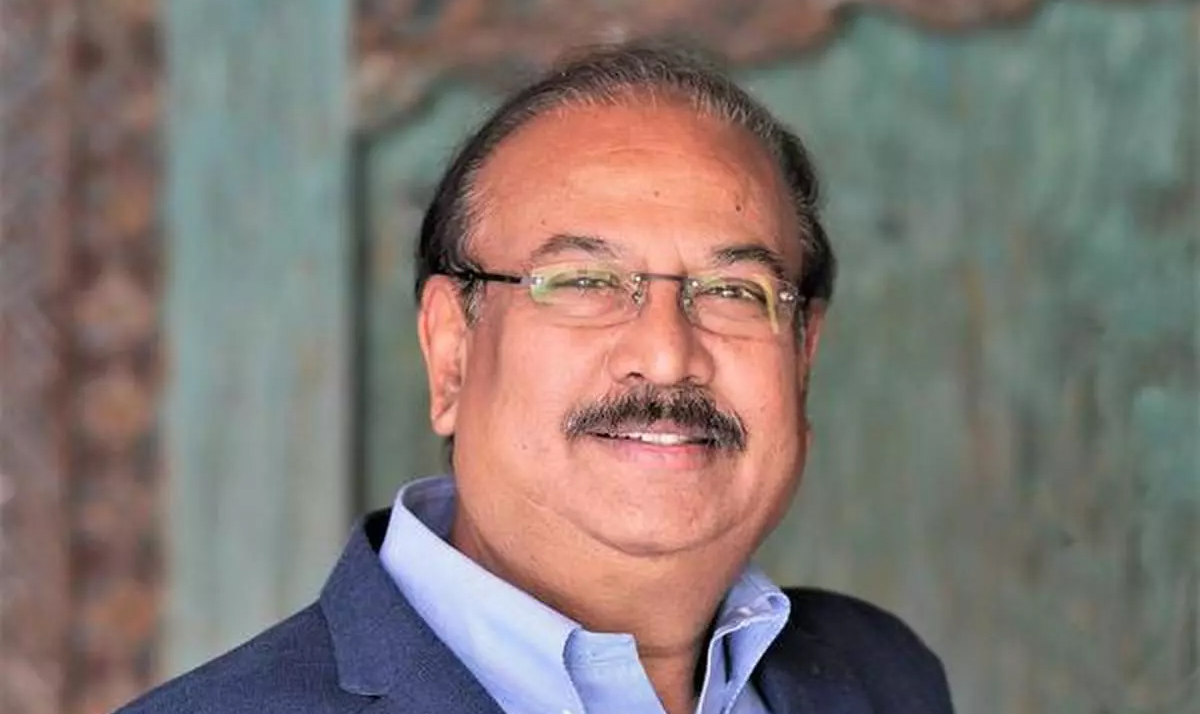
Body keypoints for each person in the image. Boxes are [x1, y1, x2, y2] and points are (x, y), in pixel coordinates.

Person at [118, 43, 953, 714]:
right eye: (584, 282)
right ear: (451, 353)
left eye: (733, 292)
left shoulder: (882, 678)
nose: (667, 355)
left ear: (803, 357)